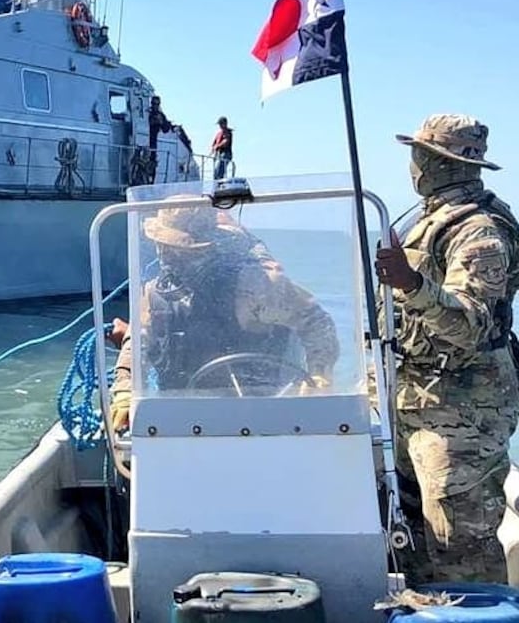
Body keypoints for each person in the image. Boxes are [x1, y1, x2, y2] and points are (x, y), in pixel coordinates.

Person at [375, 114, 519, 585]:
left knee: (460, 547)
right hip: (416, 398)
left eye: (420, 155)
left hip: (463, 410)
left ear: (439, 163)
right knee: (412, 537)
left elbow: (472, 324)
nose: (413, 165)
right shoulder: (430, 219)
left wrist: (411, 284)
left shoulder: (479, 231)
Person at [108, 199, 338, 432]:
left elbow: (317, 323)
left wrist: (320, 376)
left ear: (206, 246)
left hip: (267, 413)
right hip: (183, 420)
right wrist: (125, 388)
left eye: (179, 251)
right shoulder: (155, 294)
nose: (168, 258)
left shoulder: (256, 285)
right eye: (163, 247)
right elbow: (138, 344)